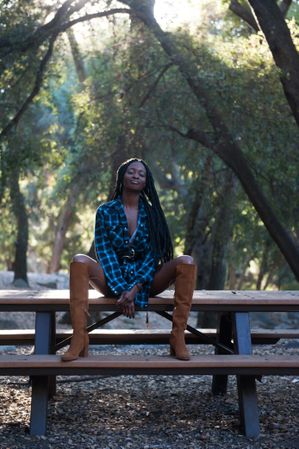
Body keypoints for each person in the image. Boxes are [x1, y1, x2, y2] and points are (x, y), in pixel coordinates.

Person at [61, 158, 197, 362]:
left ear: (146, 181)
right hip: (112, 280)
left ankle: (178, 337)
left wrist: (134, 289)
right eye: (131, 172)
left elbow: (153, 256)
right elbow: (104, 252)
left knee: (186, 261)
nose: (136, 176)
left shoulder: (153, 214)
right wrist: (122, 289)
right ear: (122, 176)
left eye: (141, 174)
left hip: (146, 282)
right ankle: (79, 336)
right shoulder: (105, 212)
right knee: (79, 260)